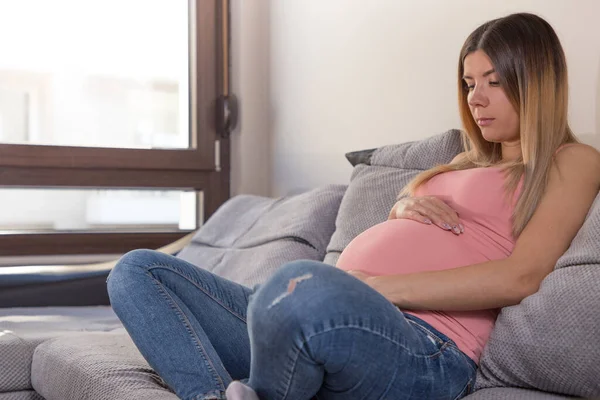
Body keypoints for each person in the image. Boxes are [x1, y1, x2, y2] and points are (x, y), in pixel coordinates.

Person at [107, 12, 600, 400]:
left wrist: (374, 287)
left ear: (535, 81)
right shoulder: (460, 161)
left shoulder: (570, 160)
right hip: (317, 316)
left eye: (493, 81)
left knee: (299, 283)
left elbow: (523, 275)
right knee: (138, 272)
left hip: (421, 345)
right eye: (470, 84)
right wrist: (405, 207)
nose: (476, 98)